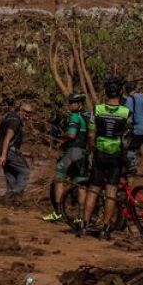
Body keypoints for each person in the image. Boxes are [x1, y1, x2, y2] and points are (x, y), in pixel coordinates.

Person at [79, 79, 132, 239]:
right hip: (116, 156)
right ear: (120, 93)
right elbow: (127, 138)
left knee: (93, 189)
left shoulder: (97, 109)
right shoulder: (126, 112)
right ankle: (105, 228)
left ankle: (84, 226)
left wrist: (93, 149)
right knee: (111, 191)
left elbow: (90, 134)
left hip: (99, 153)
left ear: (106, 92)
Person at [44, 93, 89, 223]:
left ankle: (58, 212)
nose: (69, 105)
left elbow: (71, 135)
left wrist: (61, 137)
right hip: (84, 154)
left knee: (59, 179)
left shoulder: (74, 116)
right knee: (81, 185)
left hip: (73, 152)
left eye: (72, 103)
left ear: (79, 104)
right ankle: (80, 216)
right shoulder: (88, 116)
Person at [0, 100, 32, 198]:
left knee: (11, 175)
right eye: (26, 112)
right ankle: (13, 194)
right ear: (20, 110)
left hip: (2, 150)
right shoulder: (15, 122)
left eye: (30, 113)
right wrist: (4, 156)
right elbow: (7, 138)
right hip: (9, 152)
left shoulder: (10, 116)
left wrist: (1, 154)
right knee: (25, 172)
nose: (28, 116)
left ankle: (9, 200)